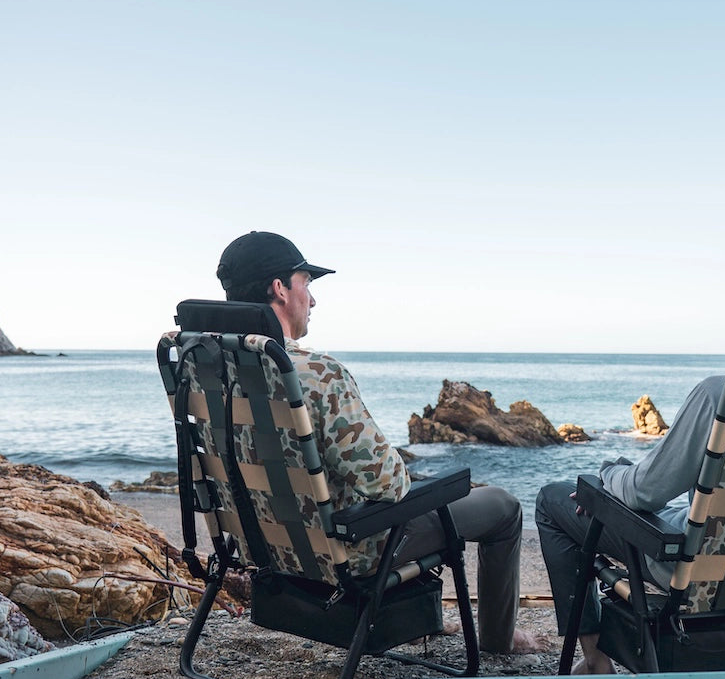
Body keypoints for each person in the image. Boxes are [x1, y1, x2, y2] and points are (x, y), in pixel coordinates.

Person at [216, 230, 540, 654]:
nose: (312, 300)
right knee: (502, 507)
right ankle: (500, 640)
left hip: (263, 546)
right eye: (306, 285)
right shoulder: (315, 373)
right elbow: (388, 484)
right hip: (346, 551)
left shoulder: (207, 368)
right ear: (280, 289)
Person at [535, 234, 725, 674]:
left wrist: (608, 475)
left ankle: (595, 660)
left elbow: (645, 492)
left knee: (555, 500)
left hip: (708, 575)